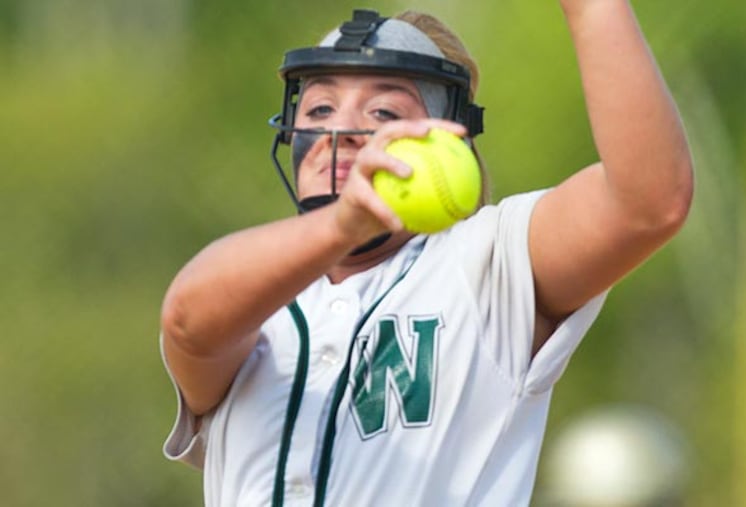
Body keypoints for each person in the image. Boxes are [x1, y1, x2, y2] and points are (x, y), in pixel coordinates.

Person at [160, 4, 693, 506]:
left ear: (441, 142)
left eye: (384, 111)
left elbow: (648, 203)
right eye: (319, 107)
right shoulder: (257, 296)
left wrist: (592, 7)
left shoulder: (486, 262)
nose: (340, 133)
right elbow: (188, 320)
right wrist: (342, 226)